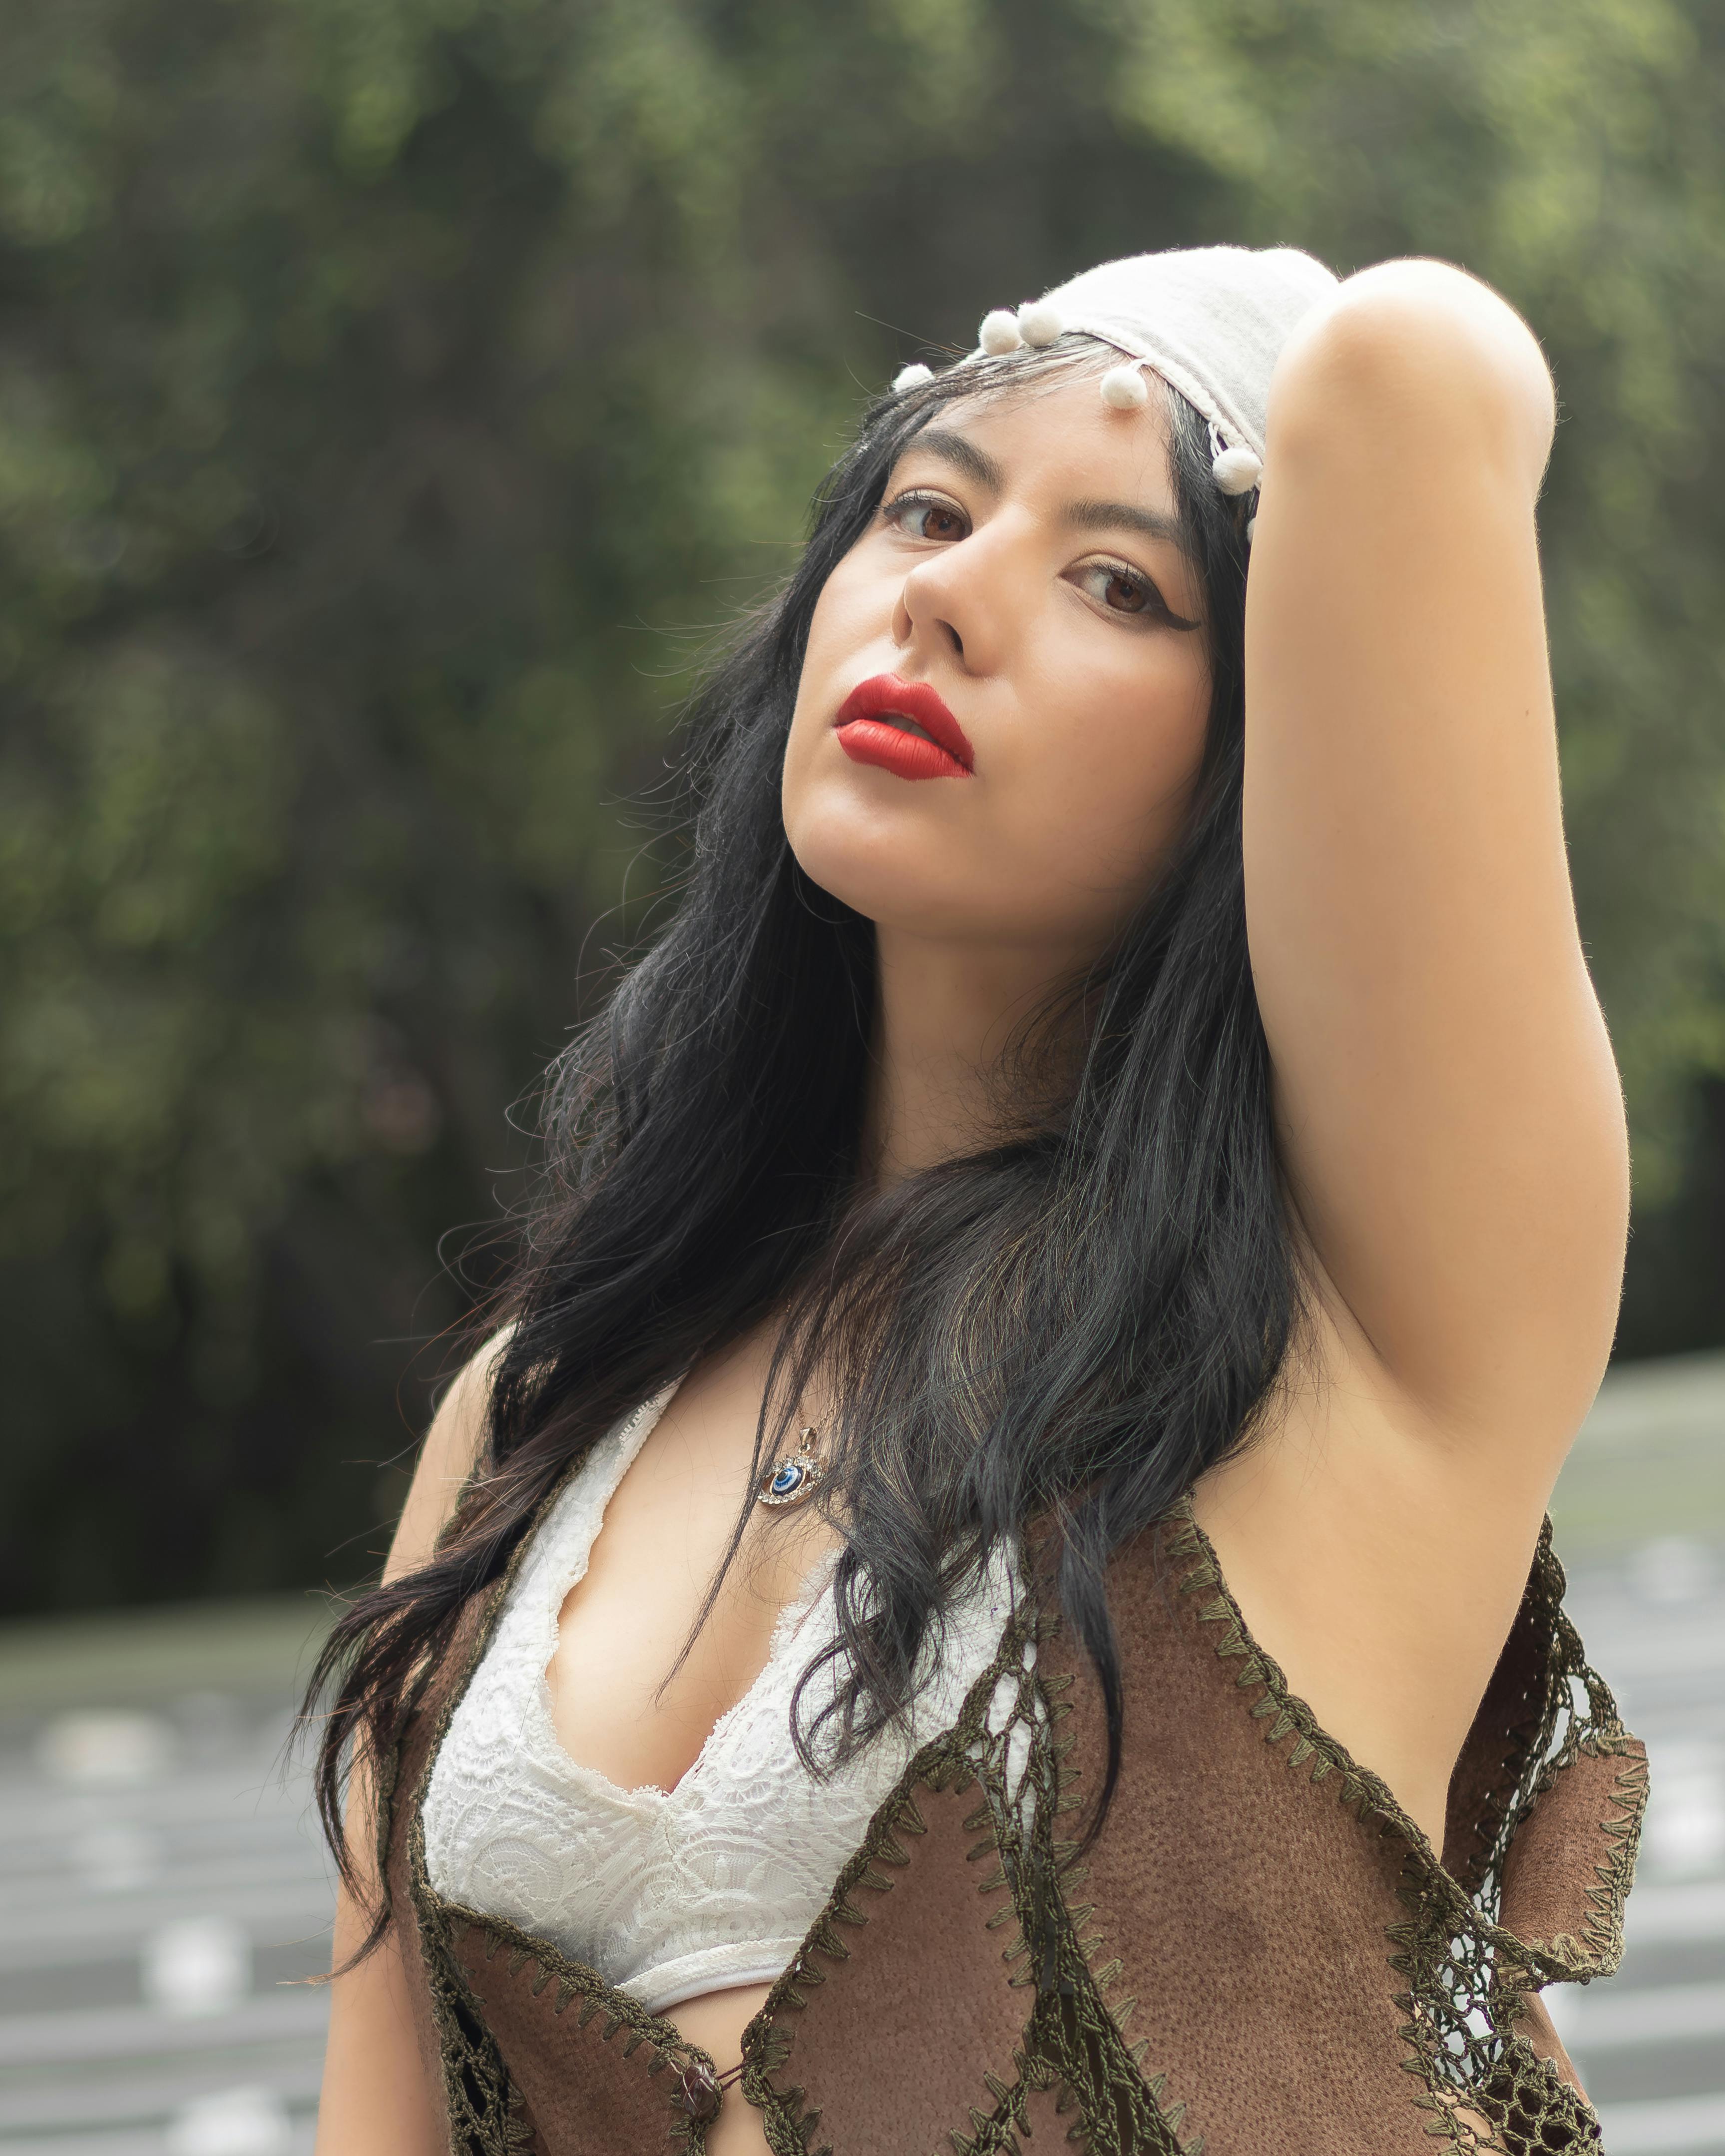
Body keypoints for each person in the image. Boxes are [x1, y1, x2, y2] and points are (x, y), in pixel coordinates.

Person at [309, 246, 1643, 2155]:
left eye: (1119, 581)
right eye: (924, 507)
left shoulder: (1353, 1331)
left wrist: (1177, 348)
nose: (942, 597)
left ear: (1272, 736)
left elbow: (1418, 371)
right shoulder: (539, 1409)